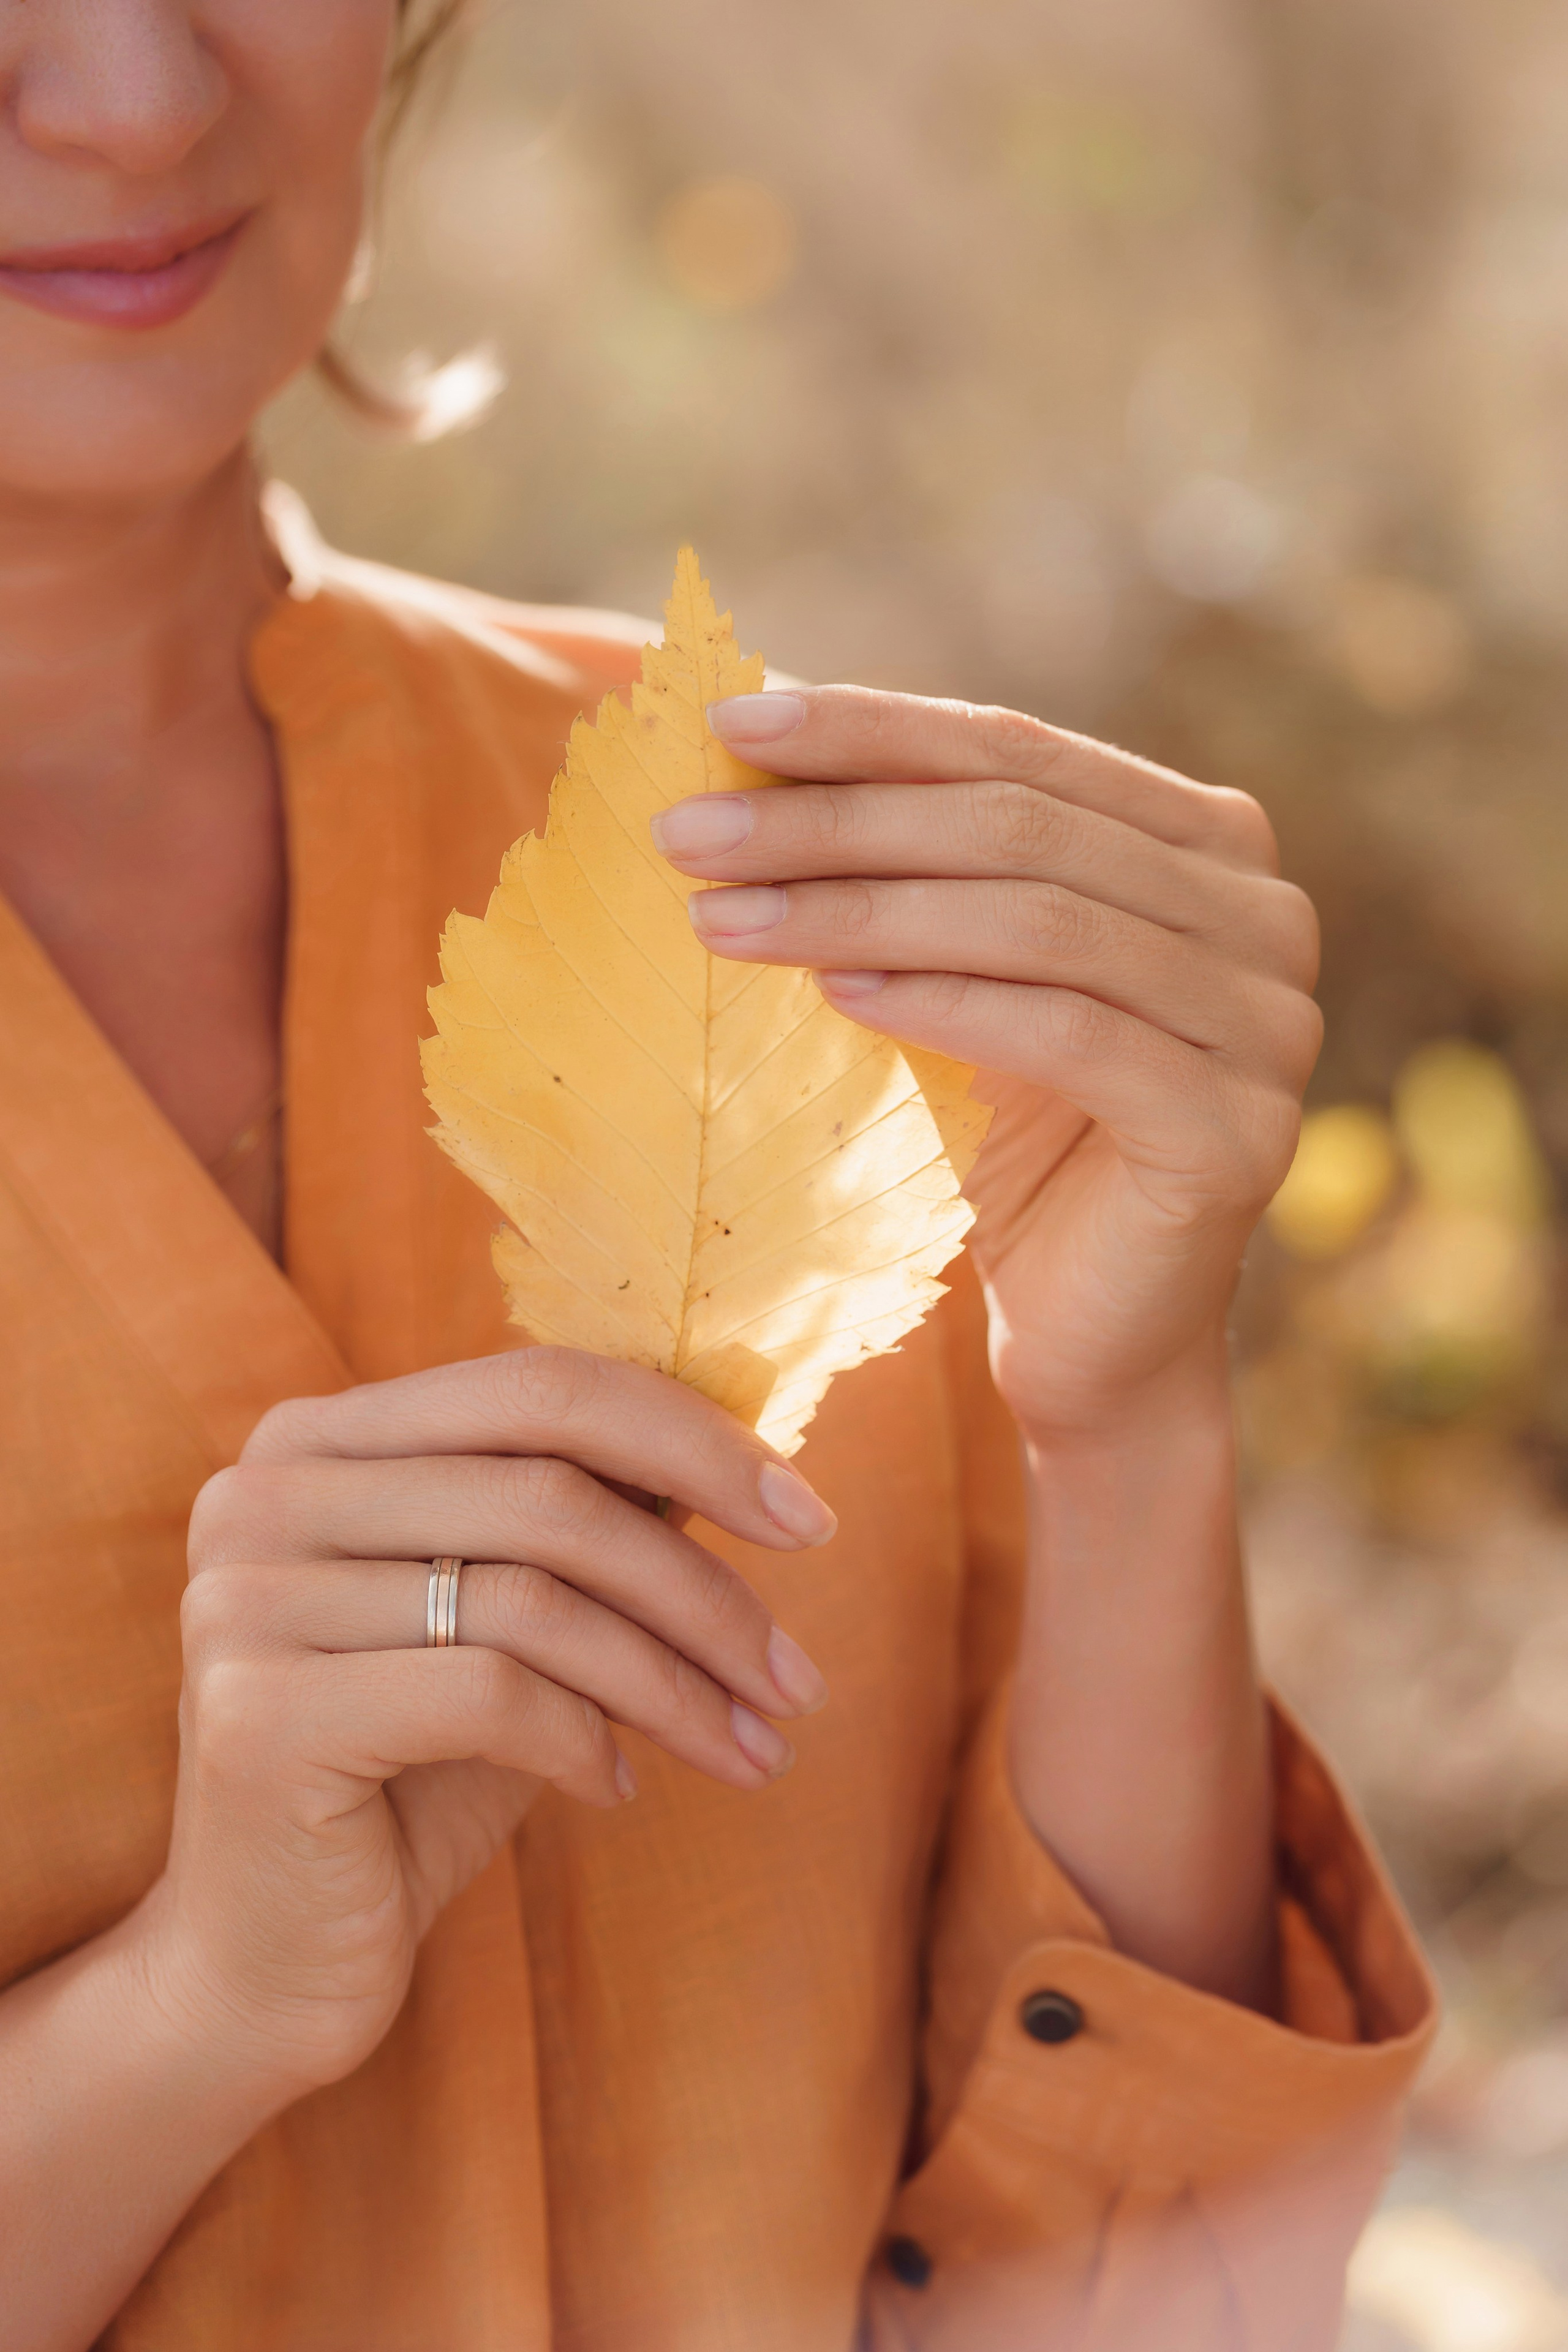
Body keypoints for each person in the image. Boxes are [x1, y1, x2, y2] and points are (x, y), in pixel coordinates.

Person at [0, 5, 1434, 2348]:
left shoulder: (799, 908)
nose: (142, 93)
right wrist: (193, 2012)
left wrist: (1129, 1429)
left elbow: (1163, 2307)